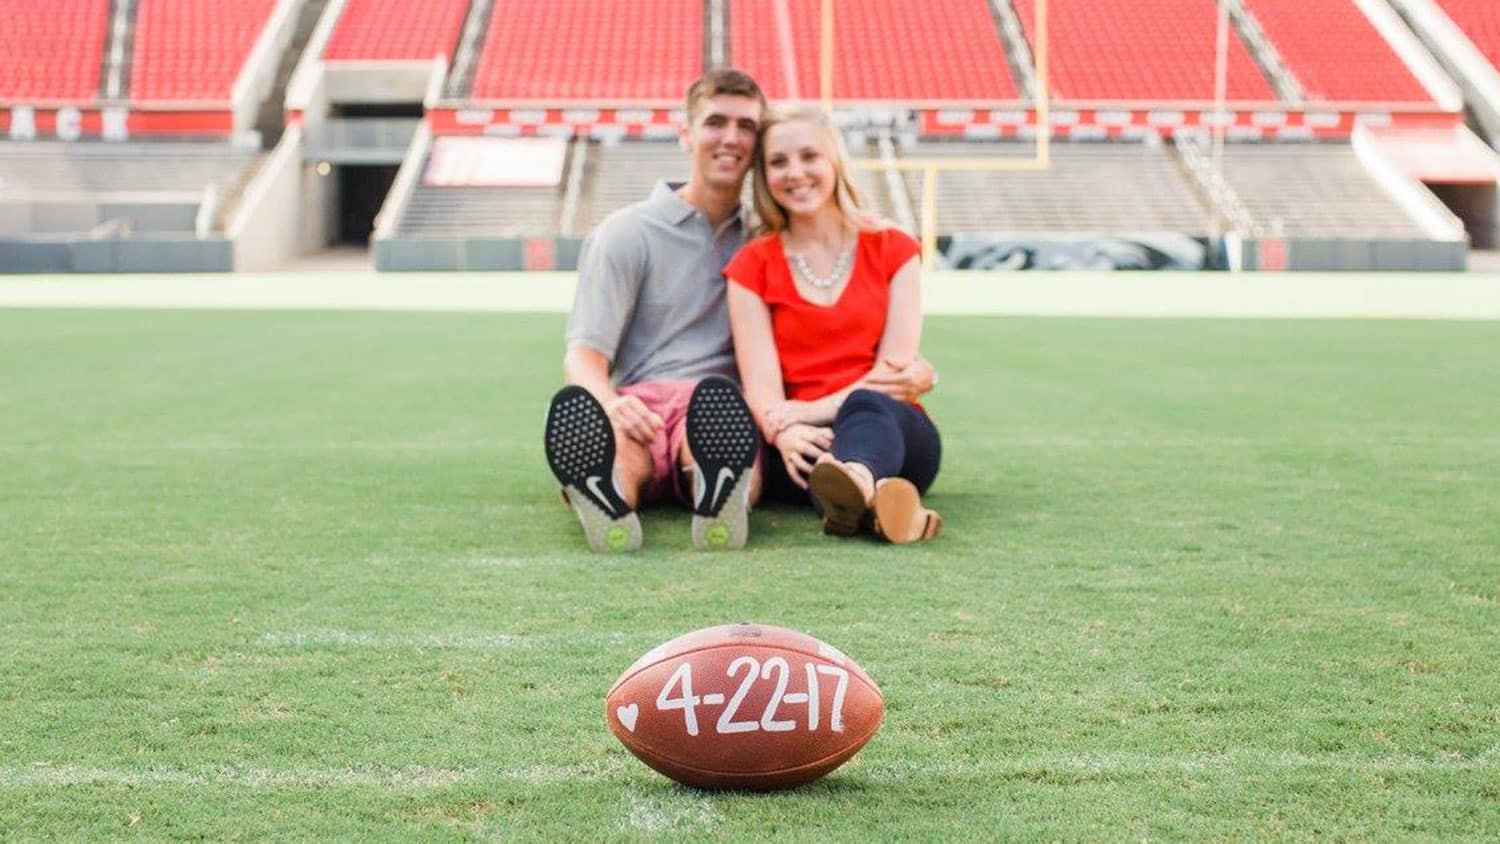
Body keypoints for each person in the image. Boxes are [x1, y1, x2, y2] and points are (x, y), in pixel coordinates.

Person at [543, 68, 768, 553]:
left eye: (746, 126)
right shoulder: (626, 233)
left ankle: (718, 493)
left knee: (718, 434)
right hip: (638, 402)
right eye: (715, 122)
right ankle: (607, 497)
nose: (731, 138)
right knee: (620, 449)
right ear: (685, 133)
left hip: (716, 407)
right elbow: (583, 356)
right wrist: (610, 403)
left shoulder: (766, 237)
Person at [724, 105, 943, 543]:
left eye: (809, 156)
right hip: (801, 445)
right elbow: (763, 390)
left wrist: (807, 410)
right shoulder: (752, 265)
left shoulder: (893, 248)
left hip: (893, 431)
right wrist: (785, 429)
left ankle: (856, 482)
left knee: (868, 404)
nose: (796, 172)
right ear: (764, 176)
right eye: (778, 162)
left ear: (834, 161)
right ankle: (880, 507)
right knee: (818, 461)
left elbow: (892, 377)